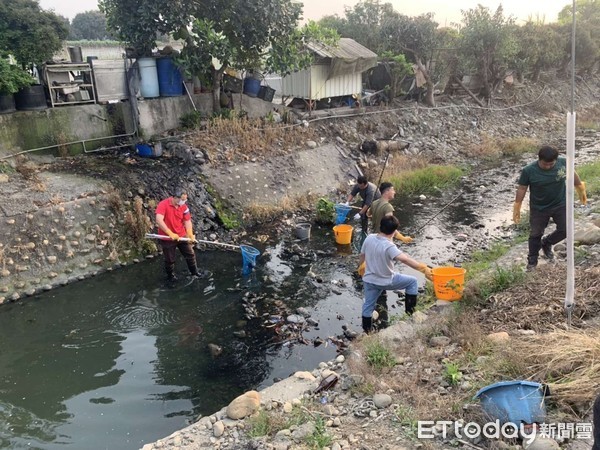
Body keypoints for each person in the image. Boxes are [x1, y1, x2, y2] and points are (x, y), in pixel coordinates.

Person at [513, 145, 587, 271]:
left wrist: (580, 188)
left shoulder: (563, 163)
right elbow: (522, 188)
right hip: (539, 207)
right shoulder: (529, 170)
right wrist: (517, 205)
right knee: (535, 233)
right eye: (544, 164)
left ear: (556, 160)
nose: (547, 167)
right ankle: (532, 261)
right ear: (539, 160)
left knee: (566, 229)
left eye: (551, 164)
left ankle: (547, 243)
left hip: (560, 203)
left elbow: (573, 174)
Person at [359, 215, 432, 333]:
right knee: (412, 281)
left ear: (380, 226)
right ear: (393, 231)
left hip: (369, 280)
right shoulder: (389, 246)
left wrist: (361, 265)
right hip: (386, 280)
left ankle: (367, 333)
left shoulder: (369, 238)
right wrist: (423, 268)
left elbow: (362, 255)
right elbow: (405, 259)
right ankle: (410, 315)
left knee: (368, 306)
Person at [155, 189, 201, 281]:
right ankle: (171, 277)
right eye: (182, 199)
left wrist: (190, 233)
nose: (184, 201)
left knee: (190, 254)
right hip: (167, 237)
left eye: (185, 199)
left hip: (181, 235)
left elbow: (187, 221)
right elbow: (159, 220)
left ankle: (195, 273)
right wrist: (169, 233)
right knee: (170, 259)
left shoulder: (184, 207)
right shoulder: (163, 204)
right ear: (175, 198)